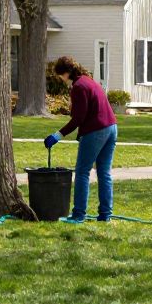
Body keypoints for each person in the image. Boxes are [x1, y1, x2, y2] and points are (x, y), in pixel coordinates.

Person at [45, 56, 118, 223]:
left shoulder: (78, 87)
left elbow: (78, 118)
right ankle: (105, 215)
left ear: (66, 72)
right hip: (112, 127)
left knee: (82, 172)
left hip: (96, 131)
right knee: (104, 173)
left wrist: (57, 135)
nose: (62, 79)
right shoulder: (88, 81)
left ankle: (78, 215)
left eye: (61, 75)